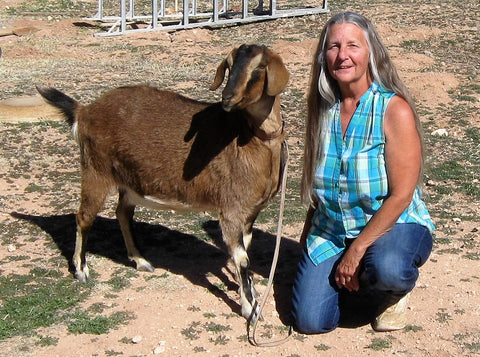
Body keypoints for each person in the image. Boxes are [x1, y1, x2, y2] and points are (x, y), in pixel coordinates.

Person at [291, 11, 435, 334]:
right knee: (309, 320)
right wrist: (306, 237)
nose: (342, 55)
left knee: (388, 267)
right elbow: (324, 185)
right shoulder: (322, 110)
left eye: (352, 45)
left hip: (392, 226)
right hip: (333, 231)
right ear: (323, 56)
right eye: (333, 47)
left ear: (371, 53)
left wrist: (356, 251)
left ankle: (393, 291)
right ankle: (357, 281)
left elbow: (401, 195)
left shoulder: (392, 109)